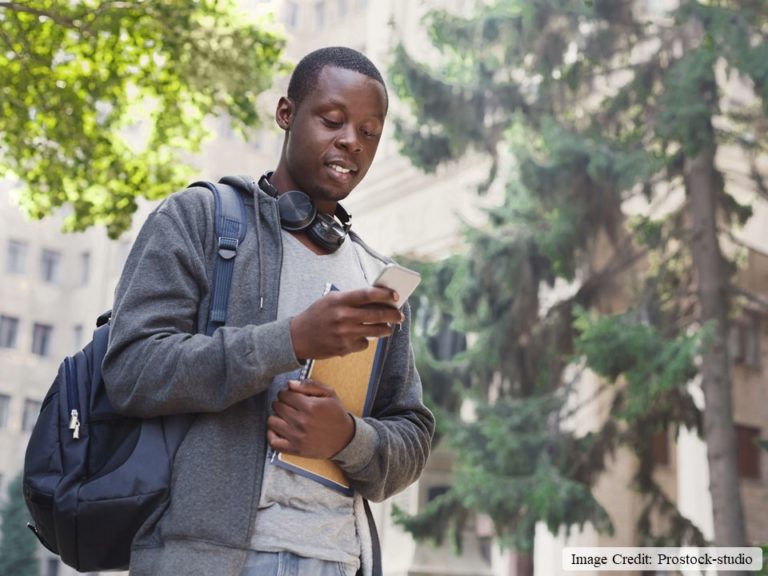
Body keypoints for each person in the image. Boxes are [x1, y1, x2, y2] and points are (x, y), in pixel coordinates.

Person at [102, 46, 435, 576]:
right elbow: (132, 371)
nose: (351, 139)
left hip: (340, 560)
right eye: (332, 120)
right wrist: (293, 340)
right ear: (286, 114)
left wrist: (349, 439)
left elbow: (413, 434)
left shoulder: (375, 278)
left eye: (369, 132)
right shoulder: (198, 221)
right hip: (208, 560)